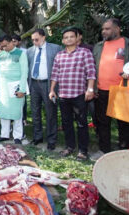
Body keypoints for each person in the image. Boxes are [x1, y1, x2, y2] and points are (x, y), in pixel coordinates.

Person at [49, 28, 96, 160]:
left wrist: (90, 89)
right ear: (63, 40)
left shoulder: (84, 53)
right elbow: (55, 75)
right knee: (66, 123)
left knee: (82, 123)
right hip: (63, 95)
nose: (69, 39)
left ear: (77, 38)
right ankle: (69, 147)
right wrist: (52, 90)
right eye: (66, 37)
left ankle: (83, 150)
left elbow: (91, 72)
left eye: (71, 37)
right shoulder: (59, 55)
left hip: (79, 94)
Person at [93, 18, 129, 153]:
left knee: (123, 122)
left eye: (107, 29)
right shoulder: (99, 46)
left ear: (117, 29)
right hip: (101, 90)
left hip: (122, 89)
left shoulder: (126, 43)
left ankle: (124, 150)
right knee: (102, 122)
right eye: (103, 29)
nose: (104, 31)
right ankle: (105, 150)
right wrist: (93, 87)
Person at [27, 28, 62, 150]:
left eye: (37, 39)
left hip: (48, 85)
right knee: (35, 112)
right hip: (34, 84)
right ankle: (37, 137)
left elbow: (59, 67)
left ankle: (51, 140)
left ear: (43, 37)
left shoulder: (55, 48)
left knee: (50, 112)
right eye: (33, 40)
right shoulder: (30, 51)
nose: (35, 42)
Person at [0, 35, 28, 145]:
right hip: (4, 87)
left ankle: (17, 136)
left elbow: (24, 72)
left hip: (16, 87)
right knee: (4, 111)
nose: (4, 48)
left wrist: (22, 89)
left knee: (17, 112)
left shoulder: (20, 54)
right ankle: (4, 134)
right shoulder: (2, 54)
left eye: (6, 45)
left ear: (12, 42)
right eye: (2, 46)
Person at [12, 34, 28, 127]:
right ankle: (13, 119)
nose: (13, 43)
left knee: (22, 100)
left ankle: (24, 119)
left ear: (19, 42)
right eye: (12, 41)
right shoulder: (10, 52)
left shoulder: (25, 52)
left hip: (22, 79)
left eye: (15, 41)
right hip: (12, 80)